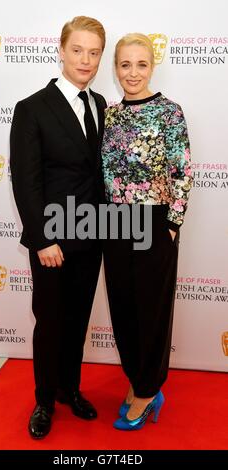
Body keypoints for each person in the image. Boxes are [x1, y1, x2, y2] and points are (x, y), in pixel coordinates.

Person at [10, 16, 106, 439]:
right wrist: (42, 238)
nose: (86, 60)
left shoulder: (101, 103)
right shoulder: (32, 108)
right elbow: (26, 180)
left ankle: (70, 388)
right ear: (61, 51)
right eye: (78, 50)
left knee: (78, 319)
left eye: (94, 52)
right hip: (53, 239)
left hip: (93, 234)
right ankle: (44, 400)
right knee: (49, 321)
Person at [101, 33, 192, 430]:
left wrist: (171, 225)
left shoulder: (170, 112)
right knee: (123, 309)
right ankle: (138, 378)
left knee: (151, 312)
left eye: (140, 64)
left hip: (154, 222)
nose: (132, 73)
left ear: (152, 66)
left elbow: (183, 172)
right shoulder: (110, 114)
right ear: (116, 68)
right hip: (114, 223)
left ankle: (149, 389)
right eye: (125, 64)